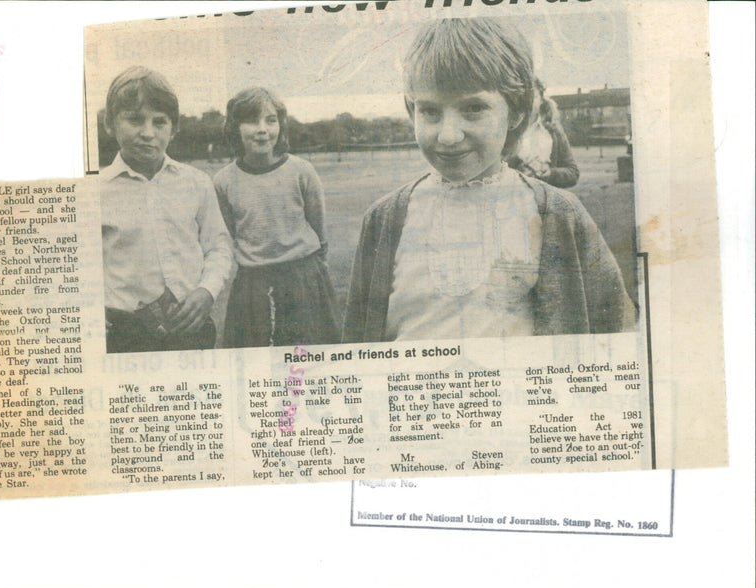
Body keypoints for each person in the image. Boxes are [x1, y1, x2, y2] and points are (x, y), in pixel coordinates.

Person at [343, 18, 634, 343]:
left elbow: (617, 330)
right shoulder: (383, 219)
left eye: (473, 108)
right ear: (412, 111)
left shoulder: (561, 214)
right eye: (430, 111)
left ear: (516, 112)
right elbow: (357, 341)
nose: (448, 135)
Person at [101, 66, 234, 353]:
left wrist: (207, 291)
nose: (148, 133)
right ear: (110, 124)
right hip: (125, 335)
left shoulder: (197, 182)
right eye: (135, 120)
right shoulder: (96, 191)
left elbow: (218, 247)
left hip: (190, 329)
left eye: (159, 122)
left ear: (174, 129)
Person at [214, 87, 340, 347]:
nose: (262, 129)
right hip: (252, 285)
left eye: (271, 120)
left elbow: (319, 229)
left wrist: (314, 270)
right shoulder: (223, 181)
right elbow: (228, 237)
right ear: (235, 127)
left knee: (309, 359)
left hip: (303, 278)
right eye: (252, 121)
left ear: (280, 125)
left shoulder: (301, 171)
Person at [508, 78, 580, 188]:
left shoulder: (553, 130)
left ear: (541, 99)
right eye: (524, 97)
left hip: (546, 196)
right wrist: (517, 171)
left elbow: (573, 173)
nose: (529, 102)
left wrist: (550, 173)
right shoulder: (508, 130)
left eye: (534, 97)